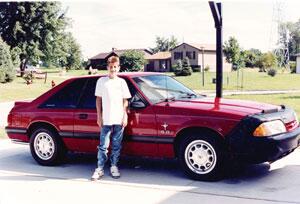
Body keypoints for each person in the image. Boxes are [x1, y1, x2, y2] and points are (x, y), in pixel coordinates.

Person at [91, 56, 131, 180]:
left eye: (115, 67)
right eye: (110, 67)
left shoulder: (122, 82)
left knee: (116, 145)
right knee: (103, 145)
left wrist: (125, 115)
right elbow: (98, 99)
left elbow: (125, 100)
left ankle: (114, 166)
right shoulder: (101, 81)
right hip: (106, 119)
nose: (113, 69)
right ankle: (100, 168)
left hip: (119, 119)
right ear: (107, 67)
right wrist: (99, 116)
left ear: (118, 68)